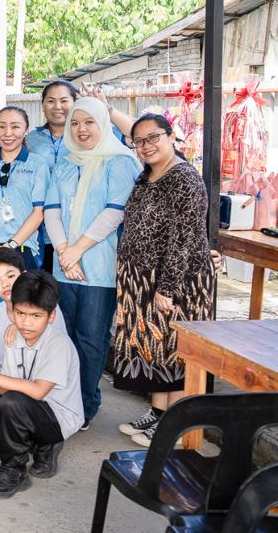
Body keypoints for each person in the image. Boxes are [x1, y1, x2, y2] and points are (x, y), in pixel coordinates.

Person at [113, 113, 215, 448]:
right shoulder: (146, 175)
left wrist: (167, 288)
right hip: (144, 282)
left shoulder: (184, 179)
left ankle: (174, 425)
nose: (146, 145)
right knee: (156, 349)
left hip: (176, 284)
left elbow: (183, 239)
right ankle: (157, 413)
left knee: (176, 352)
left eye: (153, 137)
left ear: (171, 136)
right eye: (139, 141)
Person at [44, 98, 139, 427]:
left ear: (103, 124)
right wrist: (63, 251)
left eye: (89, 122)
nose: (81, 129)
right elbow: (52, 211)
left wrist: (76, 250)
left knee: (91, 339)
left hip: (98, 268)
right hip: (64, 267)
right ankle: (61, 400)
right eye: (75, 123)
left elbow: (115, 211)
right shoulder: (66, 162)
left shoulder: (120, 161)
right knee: (63, 336)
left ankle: (85, 405)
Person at [0, 271, 83, 499]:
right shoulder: (13, 336)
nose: (26, 322)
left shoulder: (58, 344)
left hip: (56, 417)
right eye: (20, 313)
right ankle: (37, 447)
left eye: (36, 316)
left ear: (51, 316)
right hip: (21, 412)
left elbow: (38, 391)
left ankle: (14, 469)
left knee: (12, 401)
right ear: (12, 310)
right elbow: (7, 385)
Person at [0, 247, 67, 386]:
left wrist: (21, 326)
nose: (5, 284)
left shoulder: (45, 306)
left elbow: (57, 346)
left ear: (24, 275)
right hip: (4, 382)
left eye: (10, 276)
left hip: (42, 384)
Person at [0, 107, 48, 269]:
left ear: (26, 130)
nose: (7, 133)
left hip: (24, 247)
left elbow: (39, 212)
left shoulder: (37, 164)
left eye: (15, 126)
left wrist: (11, 244)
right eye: (1, 126)